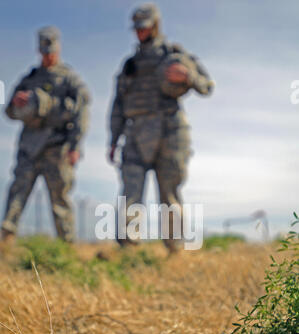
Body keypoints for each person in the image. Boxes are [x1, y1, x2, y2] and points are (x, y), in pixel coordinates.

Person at [108, 3, 214, 252]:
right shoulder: (129, 65)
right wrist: (113, 140)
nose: (139, 33)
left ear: (155, 26)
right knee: (130, 192)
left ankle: (175, 250)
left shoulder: (173, 54)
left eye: (144, 28)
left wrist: (188, 76)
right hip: (135, 133)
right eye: (136, 29)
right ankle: (128, 249)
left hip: (170, 130)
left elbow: (206, 85)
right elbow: (117, 106)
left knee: (169, 193)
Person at [1, 26, 90, 243]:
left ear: (57, 49)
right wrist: (16, 104)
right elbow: (9, 112)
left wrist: (75, 146)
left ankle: (65, 247)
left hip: (57, 148)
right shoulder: (29, 79)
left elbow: (82, 112)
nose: (48, 55)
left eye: (51, 50)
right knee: (17, 193)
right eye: (44, 51)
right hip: (29, 147)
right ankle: (5, 243)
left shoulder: (69, 79)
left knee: (60, 199)